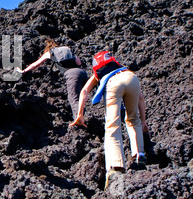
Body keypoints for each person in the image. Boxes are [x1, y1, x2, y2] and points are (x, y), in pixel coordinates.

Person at [70, 50, 150, 190]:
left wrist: (79, 114)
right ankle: (139, 155)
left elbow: (84, 91)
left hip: (113, 84)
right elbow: (141, 98)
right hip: (132, 78)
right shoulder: (121, 67)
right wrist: (143, 122)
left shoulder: (98, 73)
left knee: (112, 126)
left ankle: (116, 167)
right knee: (133, 119)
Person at [16, 39, 88, 120]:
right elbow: (79, 63)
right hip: (82, 73)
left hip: (72, 74)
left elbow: (35, 64)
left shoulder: (50, 52)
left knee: (73, 98)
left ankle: (79, 121)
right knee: (81, 96)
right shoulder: (67, 49)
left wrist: (24, 71)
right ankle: (83, 117)